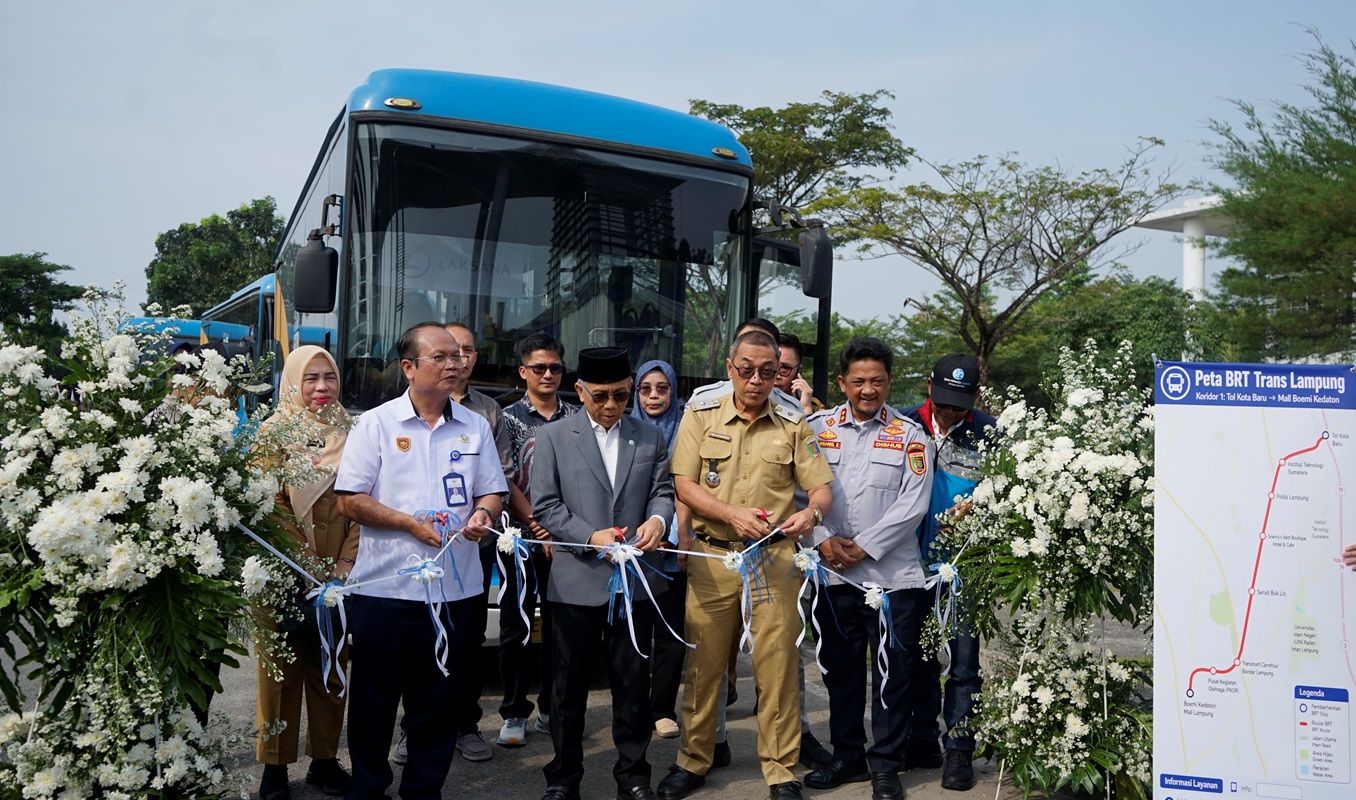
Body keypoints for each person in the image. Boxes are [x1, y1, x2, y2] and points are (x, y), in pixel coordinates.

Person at [659, 329, 834, 800]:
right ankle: (693, 761)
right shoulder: (700, 412)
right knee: (704, 665)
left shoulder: (794, 420)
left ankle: (780, 769)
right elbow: (684, 484)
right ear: (731, 367)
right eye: (746, 370)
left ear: (780, 372)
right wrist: (731, 513)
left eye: (768, 371)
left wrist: (811, 513)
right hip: (715, 555)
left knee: (777, 668)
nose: (756, 380)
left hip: (774, 558)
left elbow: (820, 488)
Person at [334, 322, 506, 800]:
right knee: (373, 704)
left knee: (438, 704)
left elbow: (492, 490)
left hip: (456, 592)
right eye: (442, 357)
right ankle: (368, 790)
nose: (455, 365)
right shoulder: (376, 423)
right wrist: (408, 523)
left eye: (459, 356)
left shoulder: (475, 425)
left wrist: (481, 514)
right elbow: (348, 499)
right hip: (385, 590)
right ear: (409, 368)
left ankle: (423, 792)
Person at [530, 347, 677, 800]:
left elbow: (662, 491)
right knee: (566, 690)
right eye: (600, 397)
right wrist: (590, 536)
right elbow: (545, 506)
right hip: (576, 581)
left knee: (632, 688)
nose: (611, 405)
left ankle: (634, 777)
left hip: (633, 586)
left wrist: (658, 521)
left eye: (620, 395)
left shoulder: (649, 436)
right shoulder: (555, 437)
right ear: (579, 391)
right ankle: (562, 778)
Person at [802, 338, 934, 800]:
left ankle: (886, 764)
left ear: (889, 382)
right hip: (833, 574)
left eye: (877, 380)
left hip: (892, 578)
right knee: (839, 670)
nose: (867, 389)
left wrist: (864, 546)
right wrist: (822, 542)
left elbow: (913, 504)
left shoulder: (911, 435)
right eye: (858, 381)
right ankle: (847, 756)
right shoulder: (816, 429)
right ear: (841, 383)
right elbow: (800, 494)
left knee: (893, 671)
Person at [252, 346, 358, 800]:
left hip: (340, 571)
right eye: (310, 379)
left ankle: (325, 760)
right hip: (283, 569)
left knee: (331, 666)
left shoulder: (355, 430)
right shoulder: (272, 434)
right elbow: (267, 504)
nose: (321, 388)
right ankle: (274, 767)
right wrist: (308, 566)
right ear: (292, 383)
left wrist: (344, 563)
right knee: (279, 670)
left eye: (328, 377)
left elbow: (368, 496)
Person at [901, 354, 997, 792]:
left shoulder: (991, 435)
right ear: (928, 388)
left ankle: (959, 750)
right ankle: (921, 740)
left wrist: (981, 510)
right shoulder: (903, 425)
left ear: (974, 398)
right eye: (942, 403)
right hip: (904, 565)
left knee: (963, 663)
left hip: (963, 569)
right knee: (916, 659)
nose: (949, 412)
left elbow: (1008, 498)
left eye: (959, 406)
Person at [498, 332, 580, 745]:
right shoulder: (507, 417)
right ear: (523, 371)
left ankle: (552, 708)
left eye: (555, 368)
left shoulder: (577, 416)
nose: (548, 375)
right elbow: (506, 477)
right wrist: (538, 525)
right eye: (539, 368)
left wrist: (559, 528)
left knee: (561, 627)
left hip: (567, 538)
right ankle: (514, 712)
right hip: (520, 538)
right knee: (517, 626)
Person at [631, 359, 687, 740]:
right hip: (631, 547)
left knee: (671, 632)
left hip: (675, 547)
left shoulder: (687, 429)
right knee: (632, 633)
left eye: (662, 388)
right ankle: (634, 705)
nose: (653, 395)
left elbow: (691, 486)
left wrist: (676, 534)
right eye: (646, 388)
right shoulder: (624, 429)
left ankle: (662, 708)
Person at [774, 333, 822, 417]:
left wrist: (805, 409)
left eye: (785, 368)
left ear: (798, 371)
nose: (776, 376)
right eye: (770, 367)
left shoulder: (814, 406)